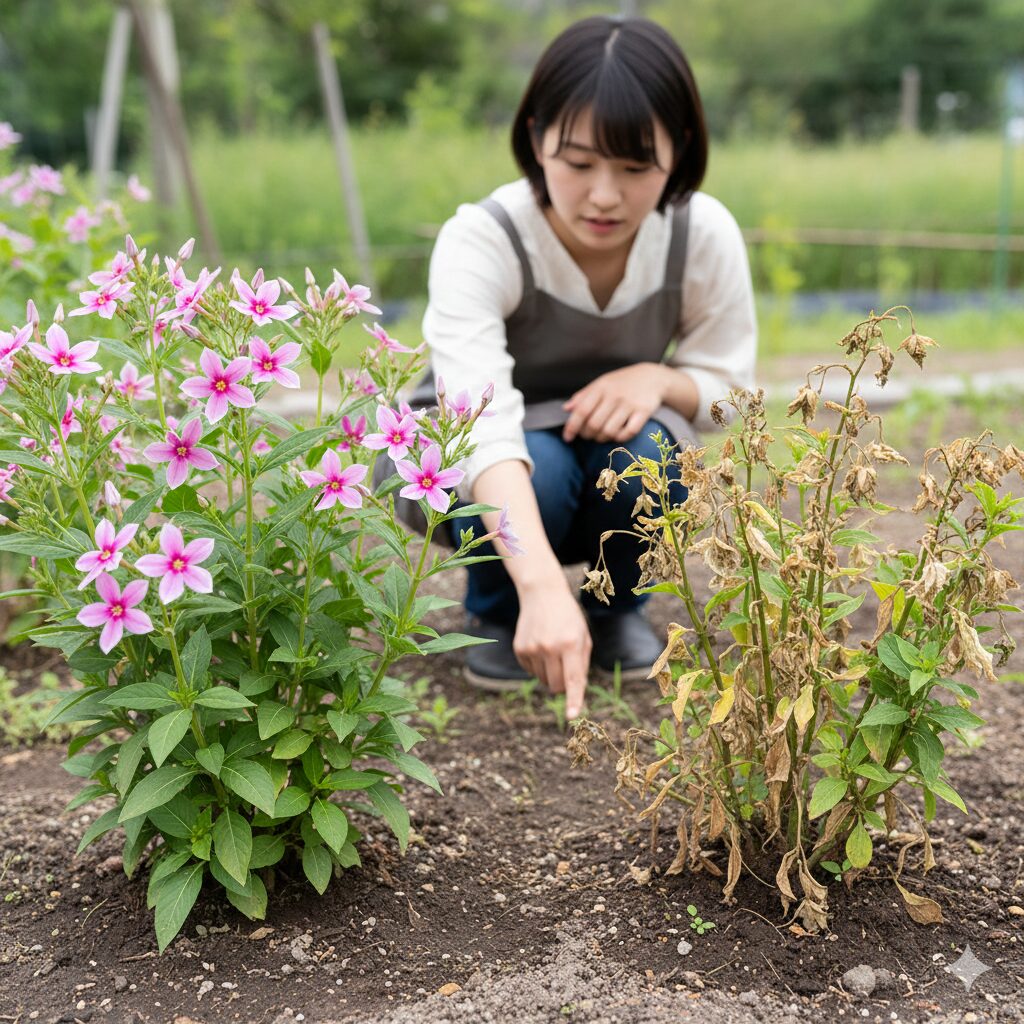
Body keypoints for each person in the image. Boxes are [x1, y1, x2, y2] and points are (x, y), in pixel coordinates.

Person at [421, 15, 756, 721]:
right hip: (502, 466)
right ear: (536, 135)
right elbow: (476, 428)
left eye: (636, 168)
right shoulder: (486, 238)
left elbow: (736, 393)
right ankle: (499, 609)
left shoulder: (701, 234)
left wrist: (658, 380)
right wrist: (542, 586)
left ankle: (613, 610)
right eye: (578, 163)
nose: (605, 195)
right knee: (537, 464)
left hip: (615, 451)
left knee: (654, 451)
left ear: (680, 150)